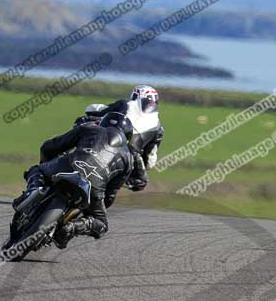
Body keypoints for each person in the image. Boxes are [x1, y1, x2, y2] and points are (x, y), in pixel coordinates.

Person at [12, 111, 146, 249]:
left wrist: (46, 165)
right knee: (102, 225)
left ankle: (32, 191)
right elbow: (110, 194)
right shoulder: (129, 159)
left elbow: (49, 147)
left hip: (67, 166)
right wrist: (95, 206)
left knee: (37, 170)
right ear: (128, 137)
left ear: (103, 123)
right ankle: (73, 227)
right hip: (94, 186)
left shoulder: (89, 128)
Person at [74, 85, 164, 207]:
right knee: (139, 182)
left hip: (106, 143)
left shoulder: (125, 104)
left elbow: (98, 110)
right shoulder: (158, 127)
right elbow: (150, 160)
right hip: (127, 159)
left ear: (136, 96)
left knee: (82, 122)